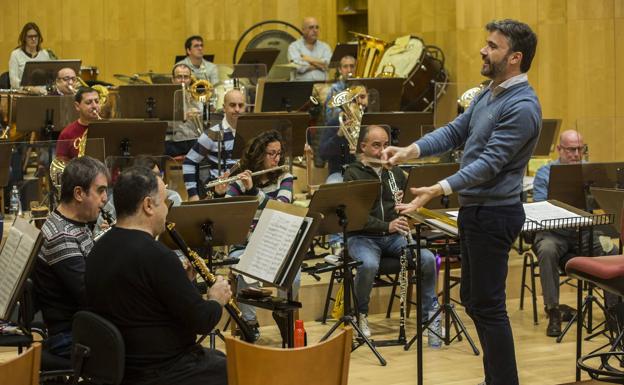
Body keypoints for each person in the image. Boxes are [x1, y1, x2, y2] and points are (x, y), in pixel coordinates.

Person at [382, 19, 540, 385]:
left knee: (488, 306)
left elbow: (489, 164)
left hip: (495, 213)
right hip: (477, 211)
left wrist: (438, 189)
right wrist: (411, 150)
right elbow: (457, 130)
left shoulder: (522, 106)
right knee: (475, 300)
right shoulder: (491, 91)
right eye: (486, 44)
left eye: (493, 46)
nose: (483, 51)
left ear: (514, 57)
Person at [86, 166, 230, 385]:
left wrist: (184, 282)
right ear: (148, 206)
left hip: (119, 368)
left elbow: (143, 303)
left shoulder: (98, 249)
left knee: (217, 359)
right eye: (164, 202)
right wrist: (216, 298)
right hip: (162, 370)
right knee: (238, 367)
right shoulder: (157, 256)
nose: (166, 209)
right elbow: (201, 320)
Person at [343, 125, 436, 338]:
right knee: (368, 265)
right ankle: (361, 315)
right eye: (376, 146)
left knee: (428, 259)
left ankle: (429, 317)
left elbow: (406, 209)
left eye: (386, 145)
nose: (383, 152)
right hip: (363, 237)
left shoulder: (394, 172)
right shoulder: (352, 173)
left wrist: (405, 208)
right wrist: (387, 225)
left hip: (394, 237)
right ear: (363, 146)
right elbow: (356, 216)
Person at [532, 129, 617, 337]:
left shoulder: (589, 170)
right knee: (546, 249)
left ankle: (614, 313)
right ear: (560, 149)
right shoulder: (545, 173)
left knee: (612, 251)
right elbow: (540, 205)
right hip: (554, 232)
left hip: (584, 232)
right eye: (571, 150)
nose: (576, 154)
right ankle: (553, 311)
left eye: (580, 149)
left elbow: (602, 201)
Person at [32, 156, 109, 358]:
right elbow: (91, 296)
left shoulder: (75, 224)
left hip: (81, 326)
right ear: (78, 193)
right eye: (100, 190)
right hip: (70, 336)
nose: (105, 198)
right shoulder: (62, 236)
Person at [224, 130, 294, 341]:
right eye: (271, 154)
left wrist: (254, 192)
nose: (277, 158)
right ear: (259, 155)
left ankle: (282, 312)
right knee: (246, 264)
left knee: (295, 272)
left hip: (275, 242)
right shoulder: (239, 182)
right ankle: (249, 322)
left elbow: (281, 207)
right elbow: (228, 213)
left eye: (279, 153)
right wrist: (221, 192)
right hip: (245, 244)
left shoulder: (285, 177)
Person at [183, 88, 245, 201]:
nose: (237, 109)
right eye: (232, 105)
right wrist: (193, 194)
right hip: (220, 194)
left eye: (240, 105)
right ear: (224, 107)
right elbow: (189, 162)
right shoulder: (212, 134)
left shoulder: (250, 132)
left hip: (246, 190)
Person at [165, 63, 205, 157]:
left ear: (190, 79)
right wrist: (183, 116)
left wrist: (200, 112)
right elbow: (164, 123)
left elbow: (202, 124)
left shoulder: (195, 96)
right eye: (179, 77)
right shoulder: (166, 98)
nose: (183, 80)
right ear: (173, 79)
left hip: (193, 140)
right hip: (173, 142)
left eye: (186, 77)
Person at [55, 87, 101, 162]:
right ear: (77, 106)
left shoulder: (107, 128)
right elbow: (61, 163)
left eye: (97, 101)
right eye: (88, 103)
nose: (94, 106)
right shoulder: (67, 134)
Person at [8, 22, 54, 89]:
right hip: (22, 94)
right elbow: (14, 82)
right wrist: (29, 88)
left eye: (36, 36)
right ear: (24, 38)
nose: (33, 39)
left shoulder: (44, 54)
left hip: (41, 93)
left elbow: (48, 79)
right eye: (30, 36)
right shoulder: (15, 55)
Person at [324, 55, 357, 126]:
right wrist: (346, 113)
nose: (349, 70)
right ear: (340, 70)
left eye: (352, 66)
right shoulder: (334, 88)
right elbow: (329, 117)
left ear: (356, 68)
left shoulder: (361, 87)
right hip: (339, 126)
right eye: (345, 67)